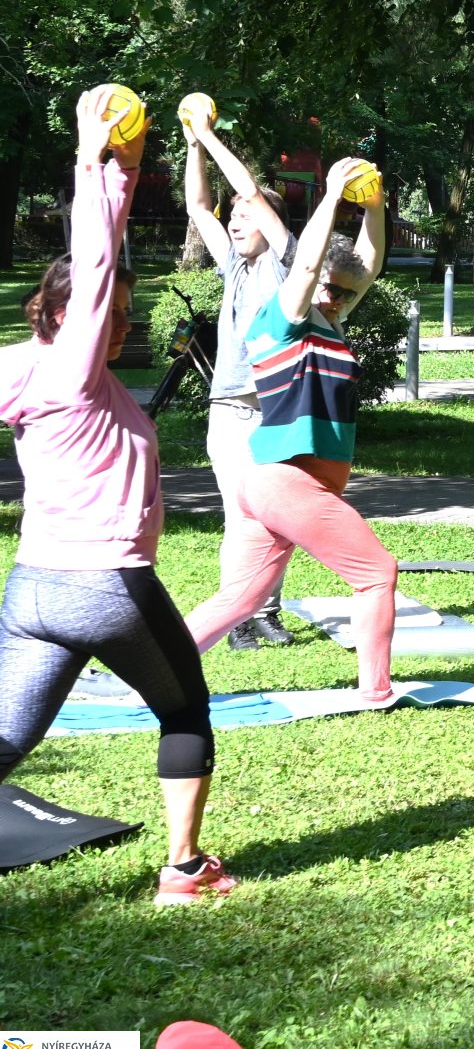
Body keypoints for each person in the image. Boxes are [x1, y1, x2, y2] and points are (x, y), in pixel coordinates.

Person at [0, 86, 232, 905]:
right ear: (61, 314)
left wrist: (124, 170)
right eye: (114, 314)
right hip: (106, 587)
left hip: (33, 588)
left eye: (131, 315)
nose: (123, 325)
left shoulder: (20, 368)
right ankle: (183, 869)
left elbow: (99, 278)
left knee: (4, 739)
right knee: (186, 709)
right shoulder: (70, 368)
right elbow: (95, 263)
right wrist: (97, 164)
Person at [184, 157, 396, 702]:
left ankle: (154, 676)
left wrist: (373, 208)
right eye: (333, 290)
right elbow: (306, 270)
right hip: (286, 482)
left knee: (240, 598)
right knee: (376, 573)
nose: (339, 299)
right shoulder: (283, 318)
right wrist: (329, 197)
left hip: (279, 484)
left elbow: (366, 262)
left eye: (347, 295)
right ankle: (377, 692)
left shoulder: (330, 317)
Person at [180, 102, 296, 652]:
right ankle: (241, 616)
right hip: (229, 411)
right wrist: (193, 144)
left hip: (276, 410)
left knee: (277, 519)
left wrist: (212, 133)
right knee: (239, 516)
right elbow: (199, 205)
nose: (234, 220)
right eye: (235, 218)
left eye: (245, 218)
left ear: (269, 227)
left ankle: (266, 610)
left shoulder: (281, 264)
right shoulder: (234, 264)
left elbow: (248, 193)